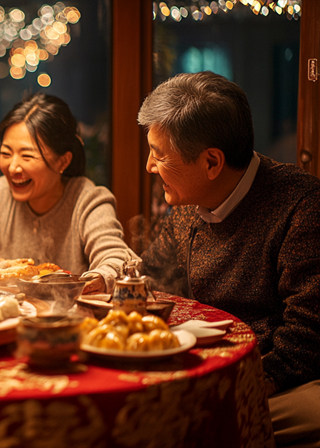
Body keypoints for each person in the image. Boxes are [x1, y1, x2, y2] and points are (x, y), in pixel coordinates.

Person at [138, 71, 320, 446]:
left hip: (284, 380)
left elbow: (307, 337)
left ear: (212, 163)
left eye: (159, 155)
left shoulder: (301, 208)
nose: (149, 167)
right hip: (213, 365)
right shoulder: (190, 202)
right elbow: (151, 276)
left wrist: (227, 386)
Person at [0, 93, 136, 294]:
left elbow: (116, 258)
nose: (13, 168)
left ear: (62, 161)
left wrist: (91, 281)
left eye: (27, 156)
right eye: (6, 154)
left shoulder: (88, 200)